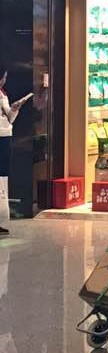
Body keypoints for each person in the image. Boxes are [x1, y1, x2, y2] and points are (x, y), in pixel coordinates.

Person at [0, 64, 30, 235]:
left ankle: (1, 218)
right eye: (3, 77)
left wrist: (15, 109)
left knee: (3, 177)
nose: (4, 80)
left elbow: (8, 118)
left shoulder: (3, 93)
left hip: (5, 135)